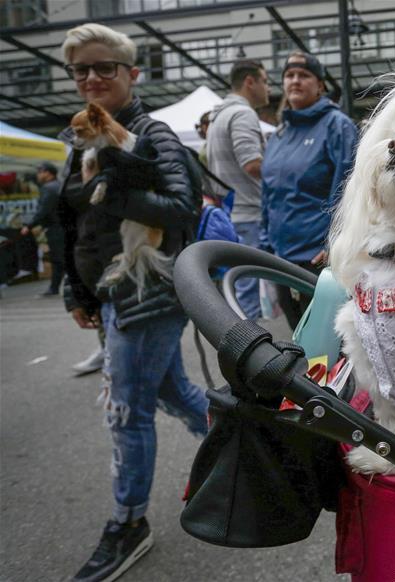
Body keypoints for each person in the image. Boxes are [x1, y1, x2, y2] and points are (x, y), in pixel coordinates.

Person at [57, 23, 209, 582]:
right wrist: (77, 288)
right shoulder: (79, 140)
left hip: (150, 291)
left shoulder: (153, 134)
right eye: (82, 70)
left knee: (126, 413)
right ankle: (237, 452)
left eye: (105, 68)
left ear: (130, 74)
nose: (92, 78)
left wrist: (117, 183)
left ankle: (128, 524)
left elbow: (180, 208)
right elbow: (73, 219)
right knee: (173, 391)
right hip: (111, 290)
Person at [259, 51, 358, 330]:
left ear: (320, 85)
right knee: (299, 344)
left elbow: (350, 188)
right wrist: (266, 245)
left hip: (319, 261)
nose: (295, 81)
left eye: (304, 75)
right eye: (289, 76)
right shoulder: (279, 134)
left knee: (324, 347)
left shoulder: (338, 126)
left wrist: (333, 242)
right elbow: (268, 194)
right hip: (280, 259)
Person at [206, 59, 269, 320]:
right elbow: (252, 163)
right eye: (265, 81)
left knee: (236, 287)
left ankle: (237, 345)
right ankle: (247, 353)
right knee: (248, 291)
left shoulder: (218, 115)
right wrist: (285, 171)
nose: (269, 88)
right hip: (247, 213)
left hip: (229, 213)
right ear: (249, 82)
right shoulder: (242, 114)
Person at [20, 162, 63, 296]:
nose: (38, 175)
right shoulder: (60, 185)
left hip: (56, 230)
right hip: (64, 227)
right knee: (61, 259)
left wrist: (29, 226)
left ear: (48, 173)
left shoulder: (49, 188)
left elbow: (43, 210)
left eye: (40, 171)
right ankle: (55, 287)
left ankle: (55, 288)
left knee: (59, 259)